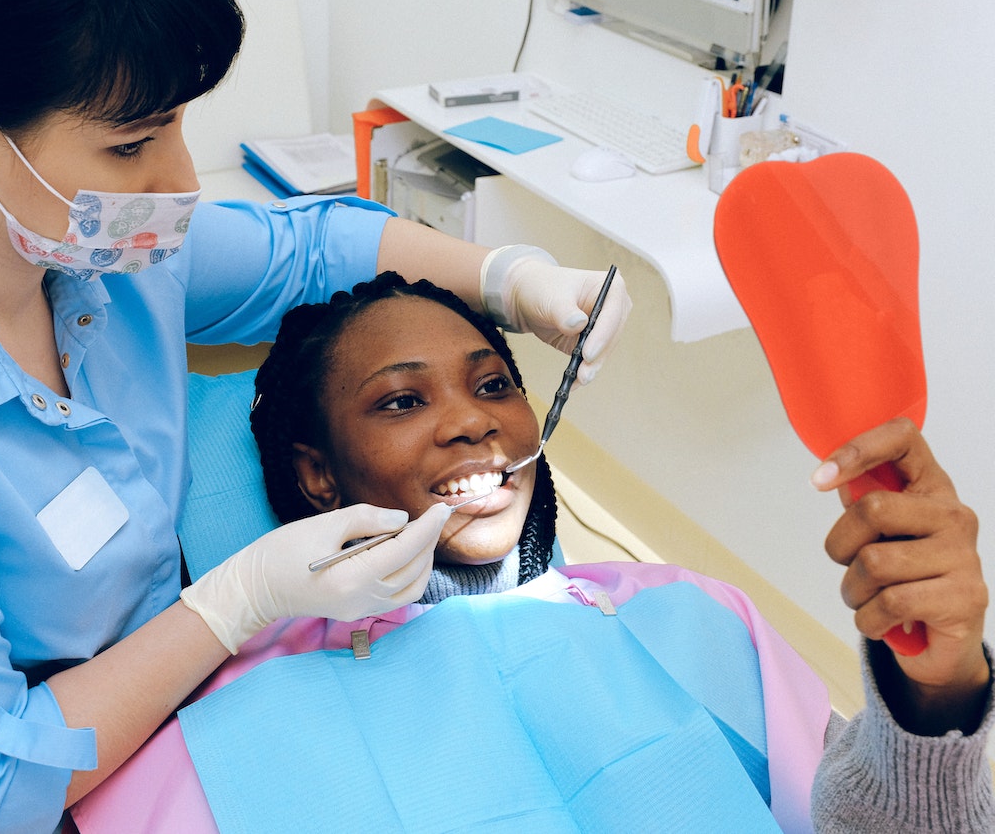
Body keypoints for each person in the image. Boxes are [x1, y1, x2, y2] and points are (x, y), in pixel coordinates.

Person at [0, 0, 632, 832]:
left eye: (177, 127)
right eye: (130, 145)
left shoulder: (103, 255)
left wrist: (514, 280)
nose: (178, 178)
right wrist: (236, 604)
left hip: (151, 764)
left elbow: (307, 253)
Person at [71, 273, 991, 833]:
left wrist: (935, 688)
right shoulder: (228, 719)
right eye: (401, 401)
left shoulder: (689, 615)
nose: (471, 418)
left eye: (493, 384)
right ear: (316, 476)